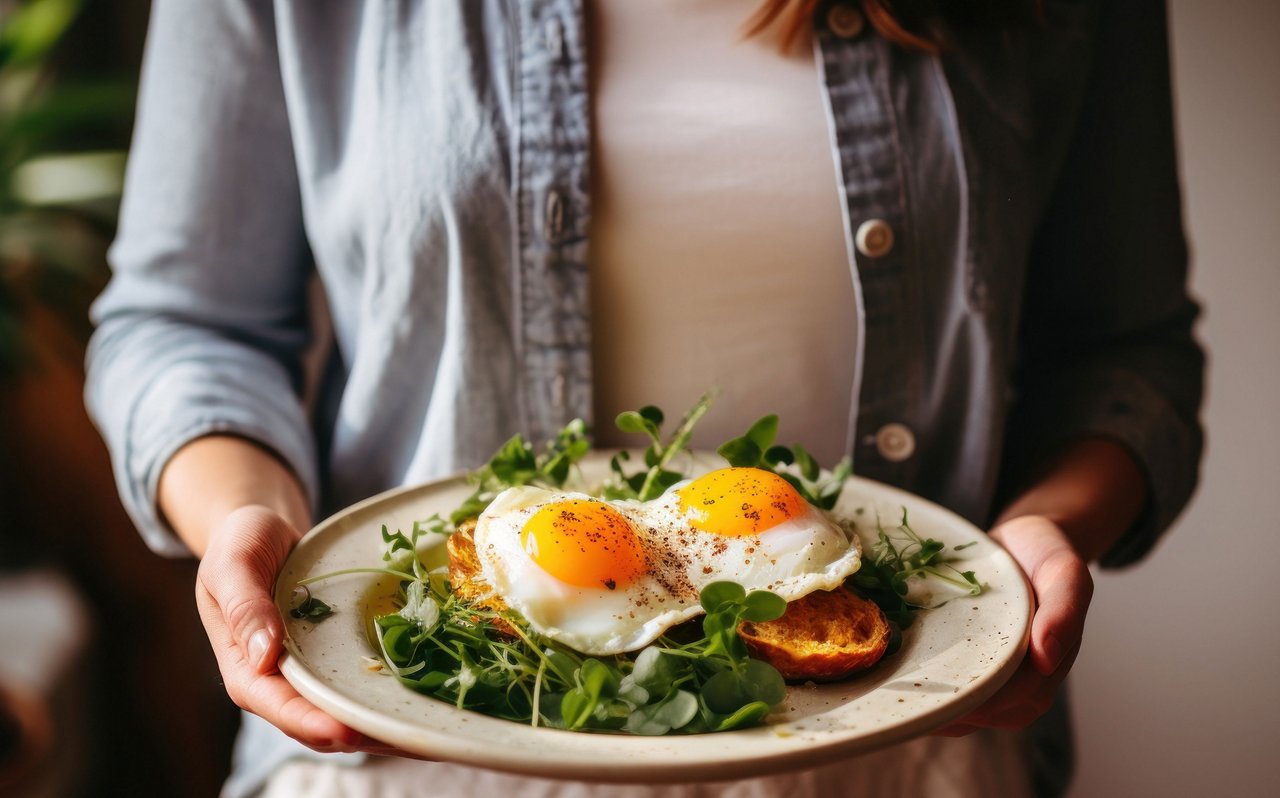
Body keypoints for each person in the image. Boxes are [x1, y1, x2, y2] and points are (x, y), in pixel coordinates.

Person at [86, 0, 1203, 796]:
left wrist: (1042, 532)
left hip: (903, 759)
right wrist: (240, 519)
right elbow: (191, 323)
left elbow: (1119, 351)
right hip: (413, 760)